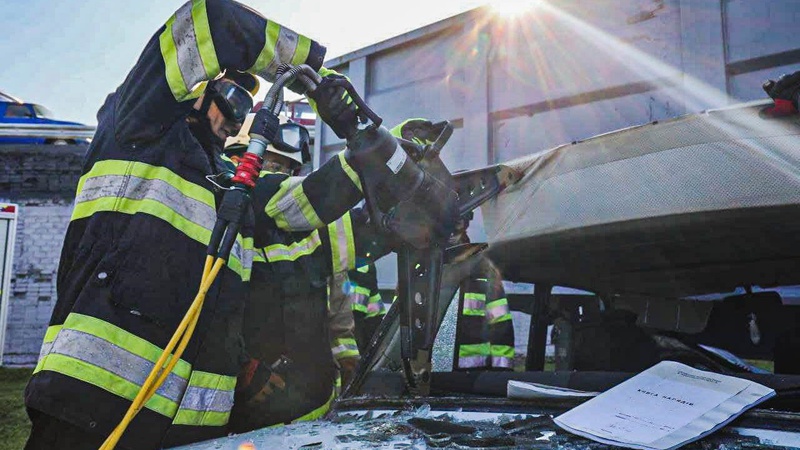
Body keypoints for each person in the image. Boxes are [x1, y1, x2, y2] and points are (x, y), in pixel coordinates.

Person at [23, 1, 369, 448]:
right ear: (195, 91)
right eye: (232, 100)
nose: (236, 120)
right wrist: (312, 75)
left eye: (246, 108)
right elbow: (213, 19)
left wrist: (383, 149)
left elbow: (295, 209)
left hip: (195, 430)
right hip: (91, 411)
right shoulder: (138, 128)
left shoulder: (229, 187)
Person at [450, 214, 516, 371]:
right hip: (427, 372)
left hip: (473, 374)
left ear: (463, 224)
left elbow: (501, 325)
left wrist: (501, 374)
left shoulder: (484, 270)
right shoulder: (423, 266)